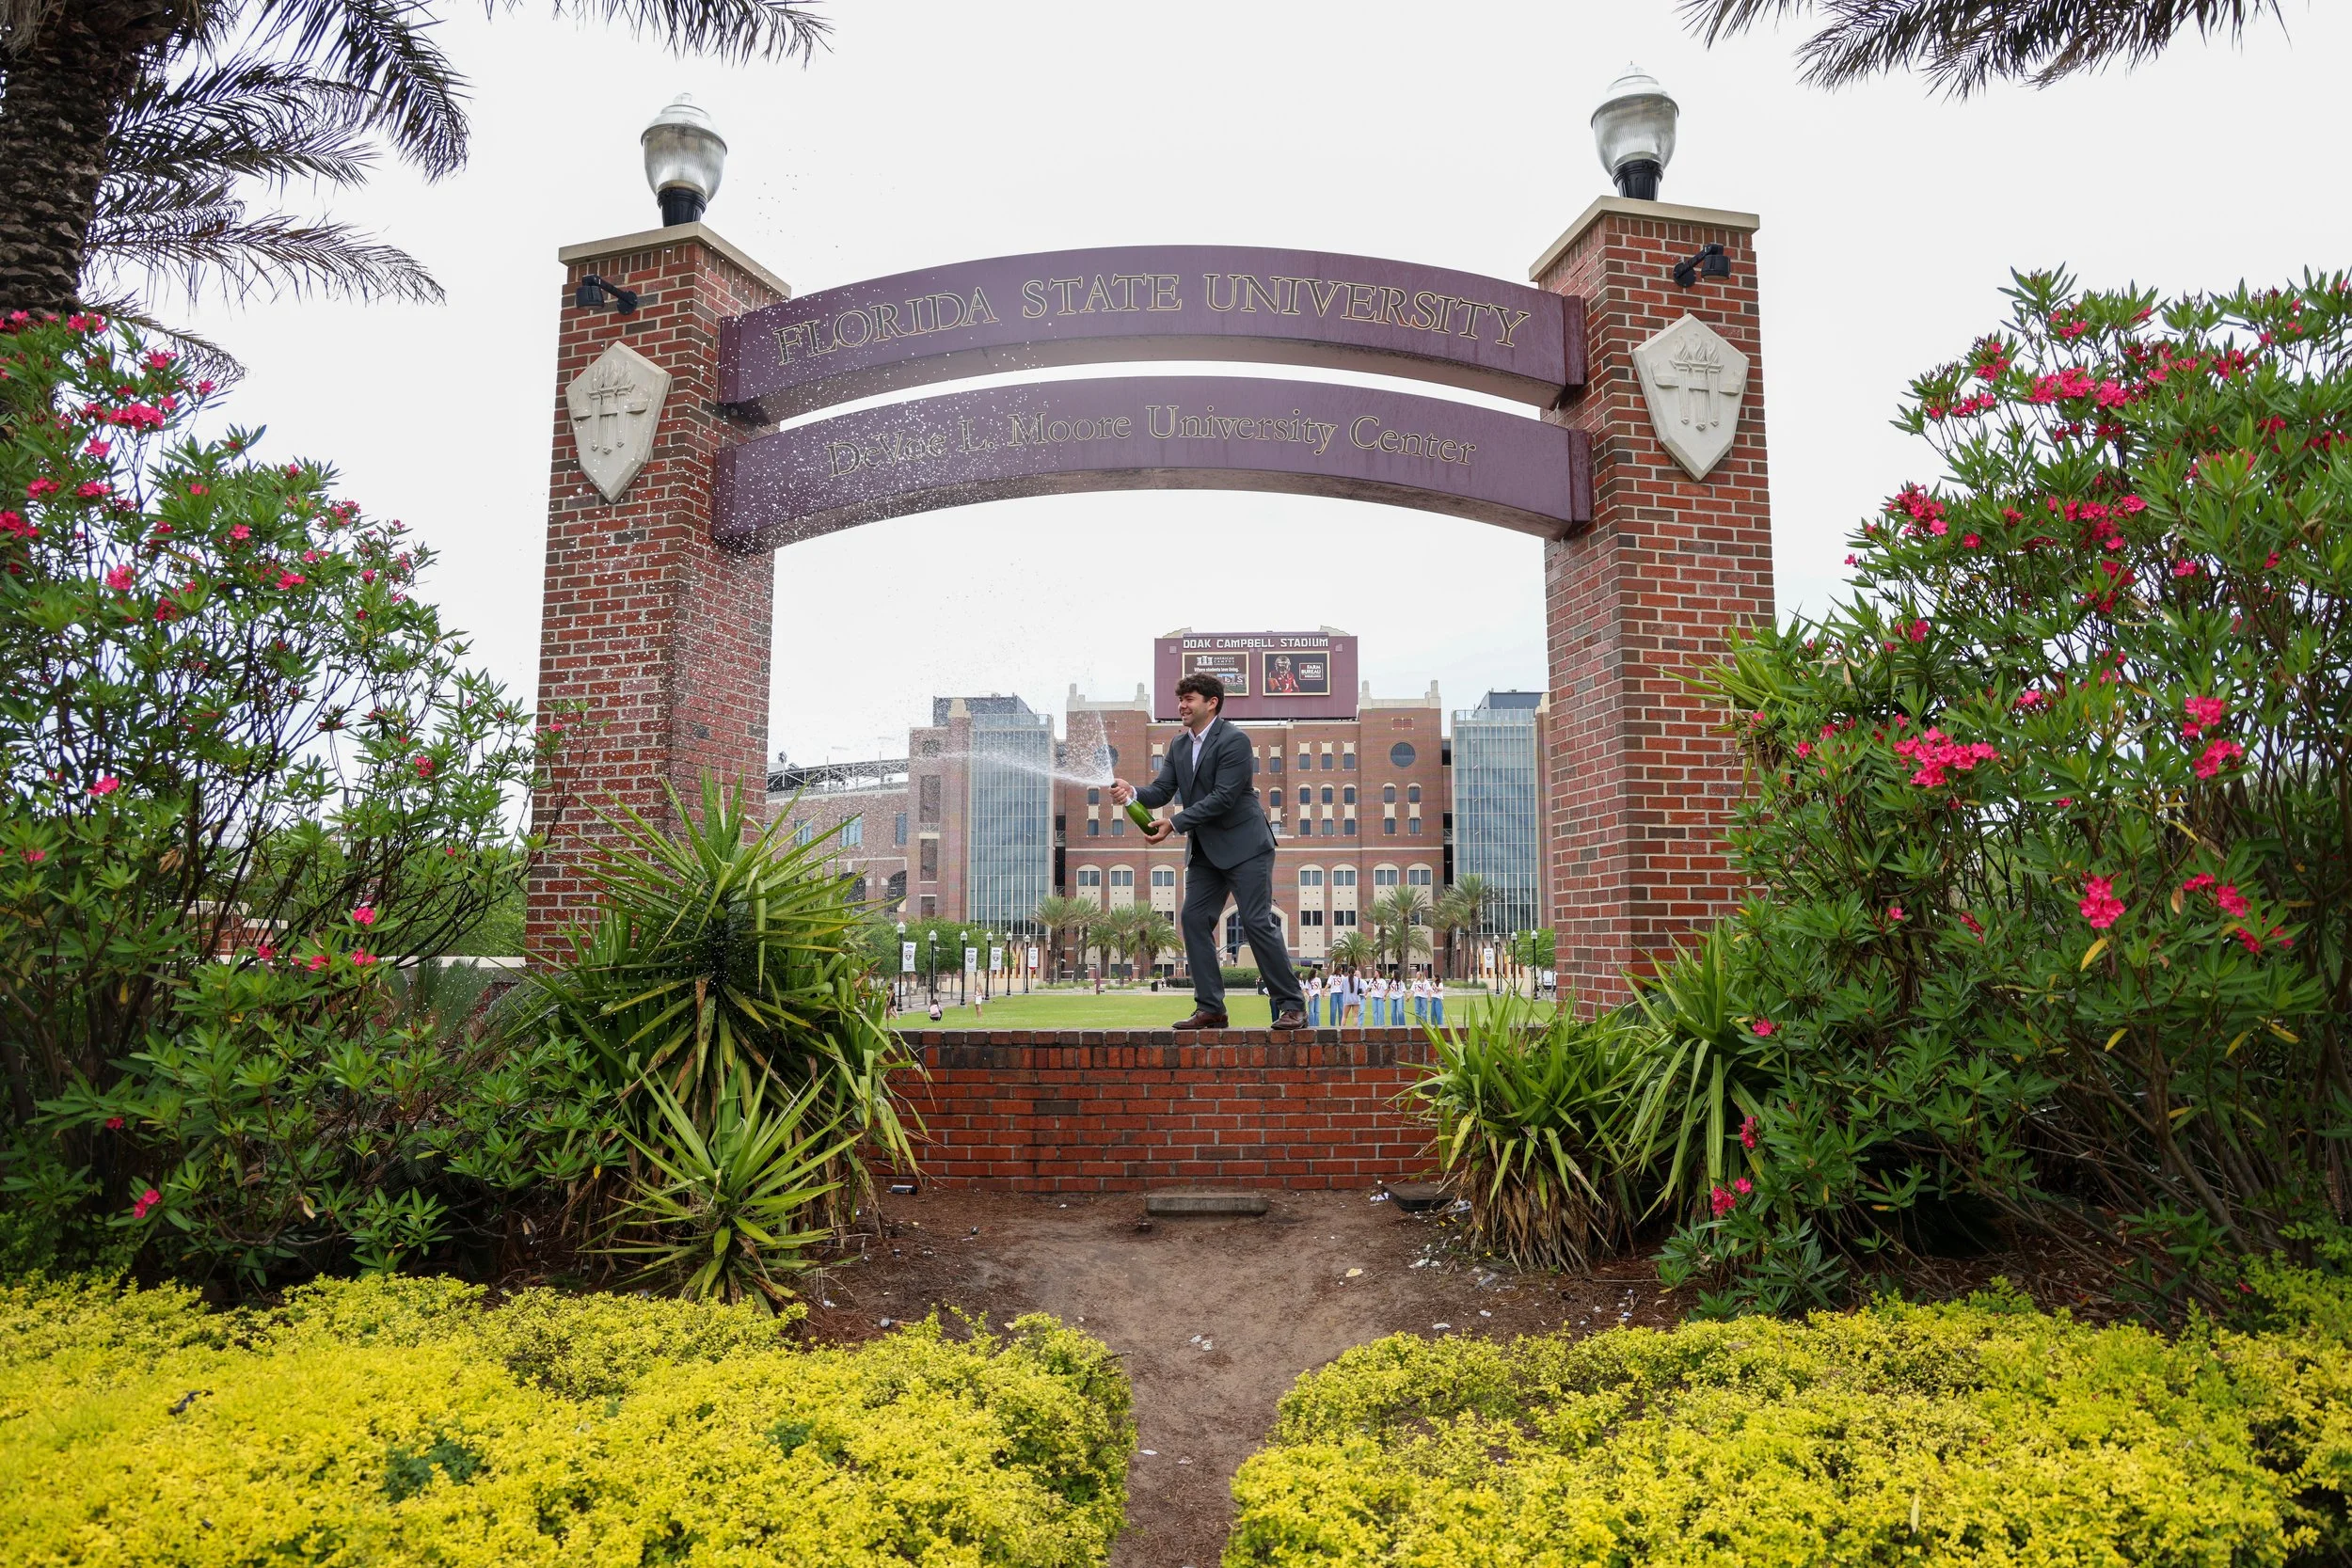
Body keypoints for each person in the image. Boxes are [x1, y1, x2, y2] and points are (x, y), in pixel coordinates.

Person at [1113, 673, 1306, 1030]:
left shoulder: (1235, 741)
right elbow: (1162, 790)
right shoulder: (1178, 745)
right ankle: (1211, 1009)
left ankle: (1292, 1005)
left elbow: (1224, 797)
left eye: (1189, 699)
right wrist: (1133, 793)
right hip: (1205, 851)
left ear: (1212, 703)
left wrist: (1175, 823)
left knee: (1256, 921)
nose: (1182, 706)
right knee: (1193, 919)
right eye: (1180, 699)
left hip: (1247, 847)